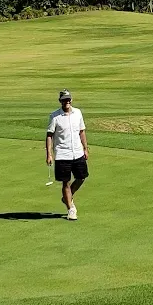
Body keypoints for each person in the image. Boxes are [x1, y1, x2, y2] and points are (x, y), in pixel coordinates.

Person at [46, 89, 89, 221]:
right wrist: (49, 153)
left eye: (69, 99)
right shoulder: (55, 116)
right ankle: (71, 209)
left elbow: (81, 131)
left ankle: (67, 197)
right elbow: (49, 135)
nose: (67, 101)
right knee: (65, 182)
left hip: (77, 152)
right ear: (60, 101)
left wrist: (85, 148)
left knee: (81, 177)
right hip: (62, 154)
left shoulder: (78, 113)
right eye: (64, 99)